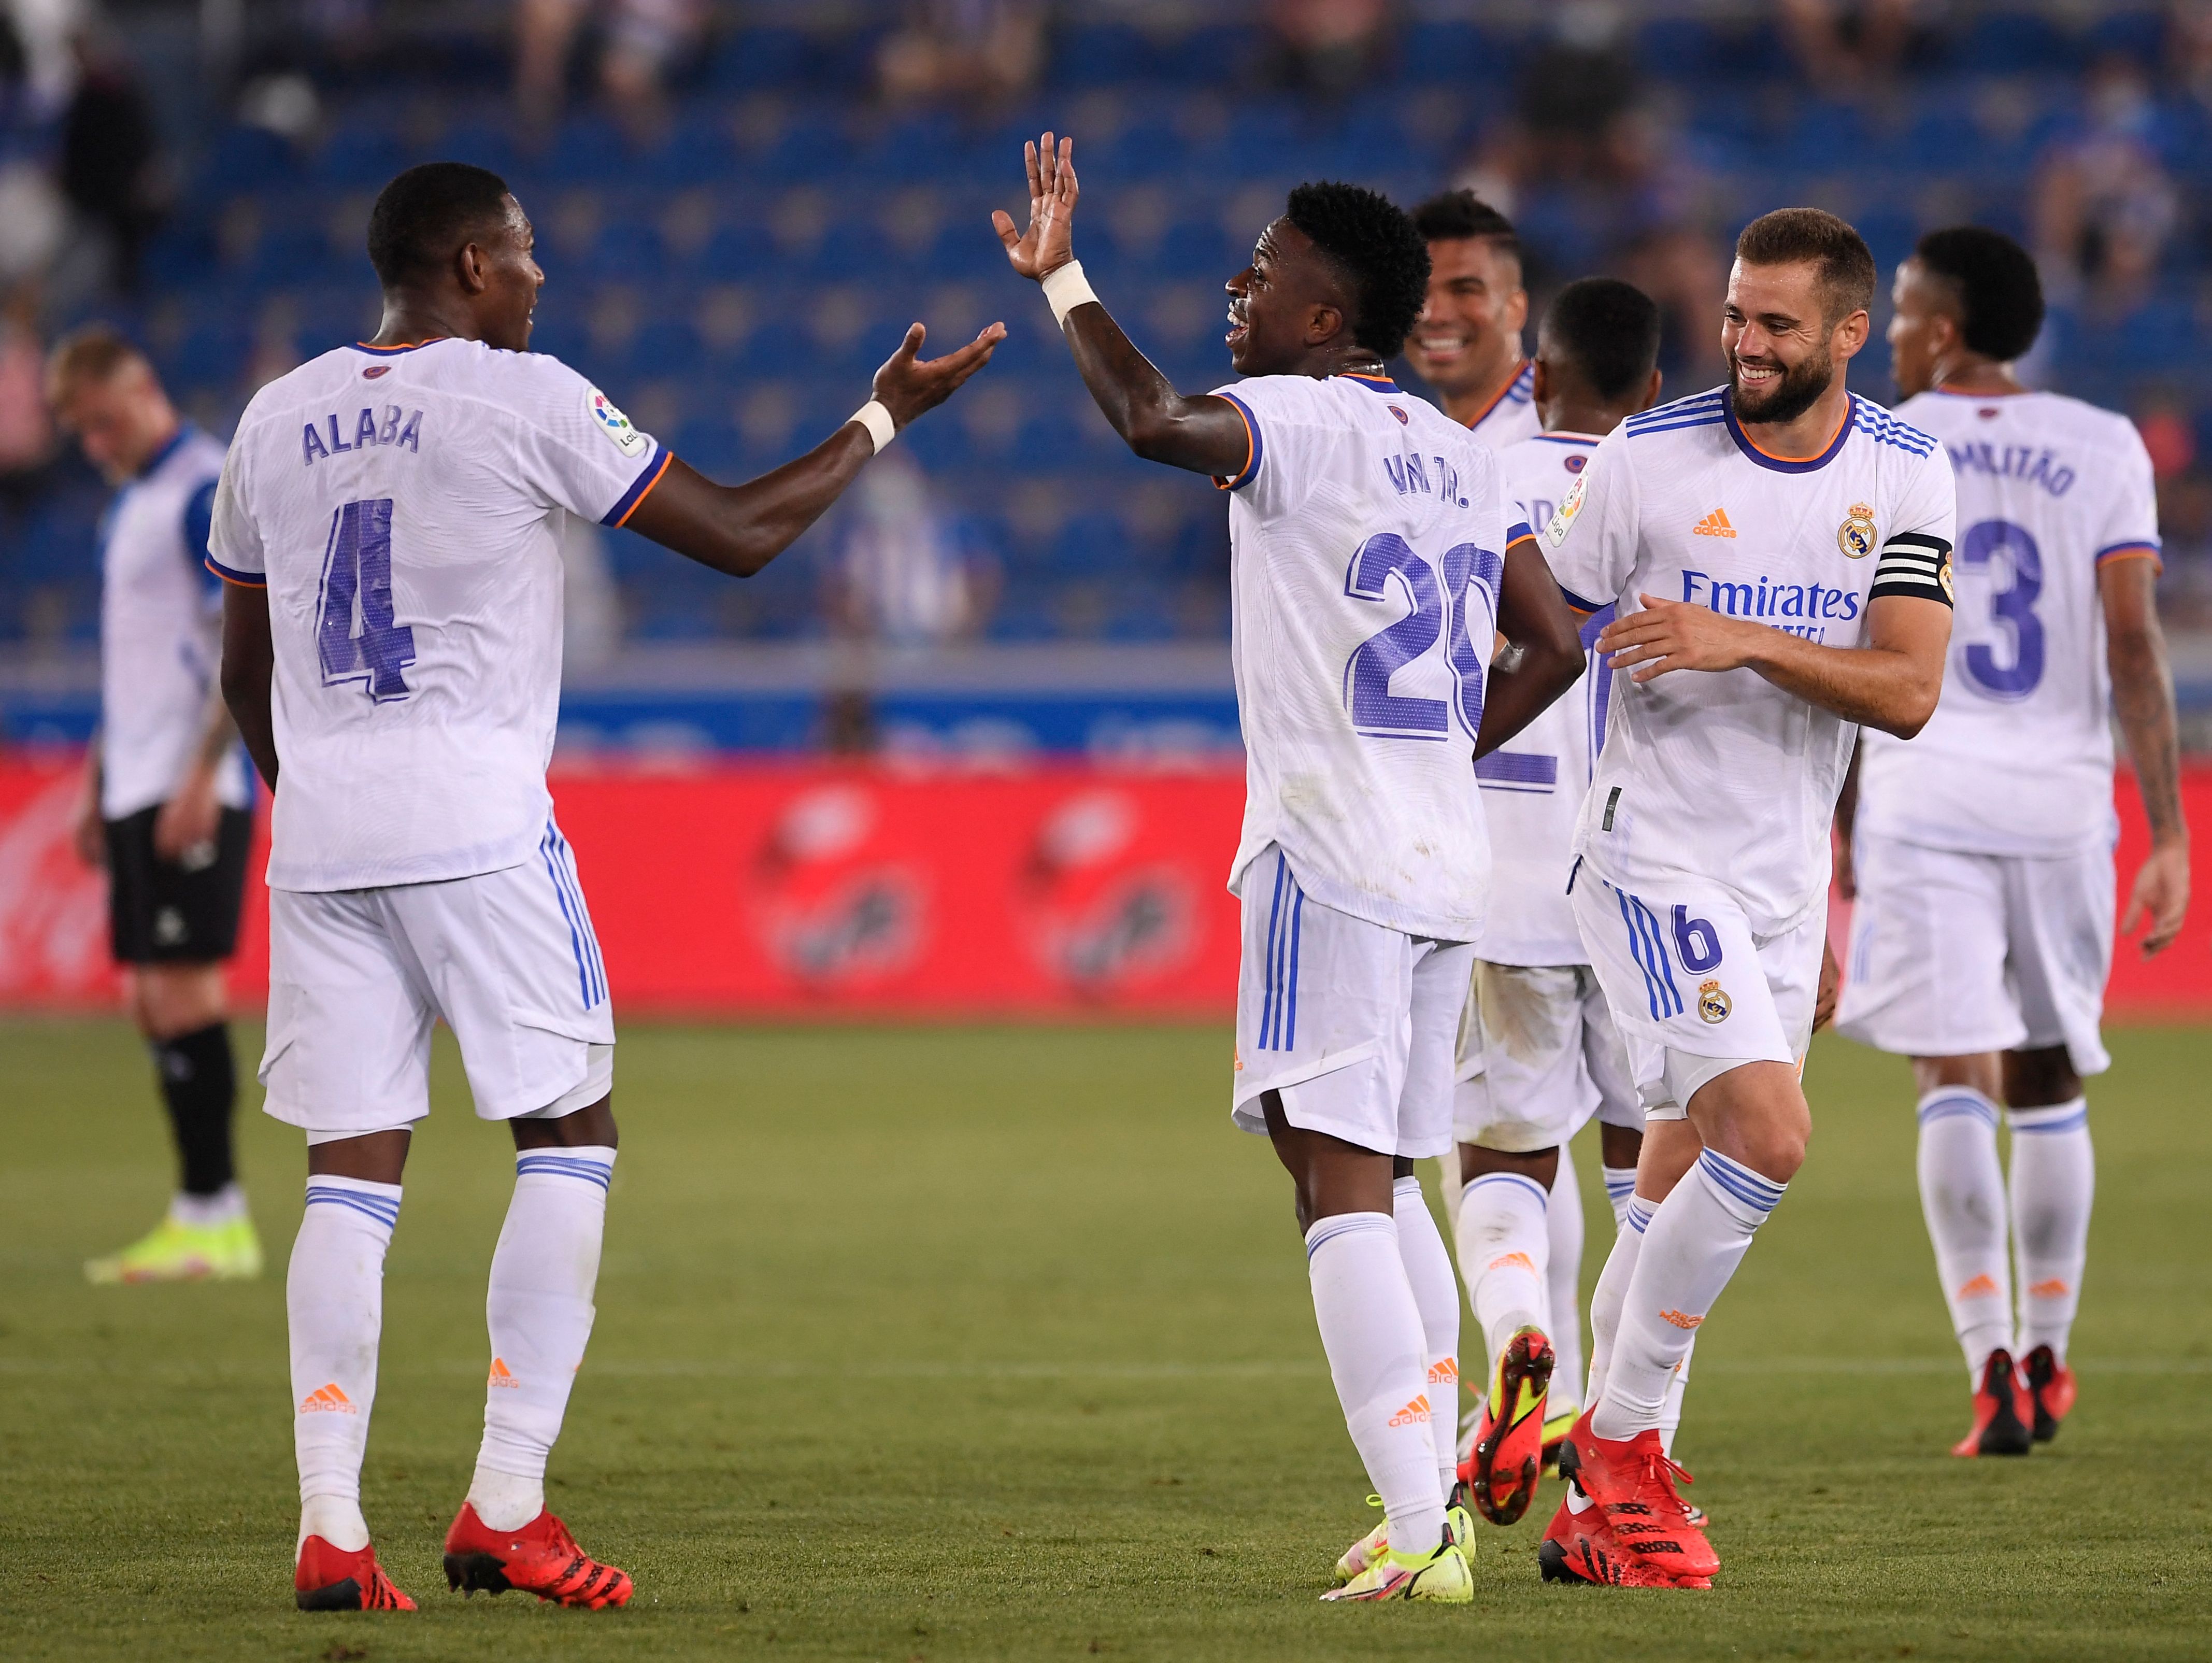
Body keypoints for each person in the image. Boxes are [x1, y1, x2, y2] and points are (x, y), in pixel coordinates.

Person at [210, 161, 1001, 1613]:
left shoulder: (273, 416)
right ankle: (505, 1501)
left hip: (320, 840)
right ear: (465, 266)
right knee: (569, 1131)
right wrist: (886, 413)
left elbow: (240, 671)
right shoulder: (524, 395)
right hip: (479, 824)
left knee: (349, 1169)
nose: (539, 279)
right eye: (520, 257)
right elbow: (746, 534)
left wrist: (316, 802)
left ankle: (330, 1524)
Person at [994, 134, 1586, 1602]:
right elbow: (1556, 640)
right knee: (1380, 1180)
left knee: (1333, 1189)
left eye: (1263, 272)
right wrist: (1446, 750)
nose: (1237, 287)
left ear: (1327, 318)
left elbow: (1147, 420)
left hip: (1327, 850)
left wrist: (1060, 272)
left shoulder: (1295, 417)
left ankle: (1414, 1528)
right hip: (1448, 864)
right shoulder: (1461, 451)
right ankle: (1427, 1487)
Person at [1537, 207, 1956, 1589]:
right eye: (1731, 316)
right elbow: (1549, 627)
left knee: (1668, 1178)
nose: (1743, 345)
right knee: (1767, 1140)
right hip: (1647, 850)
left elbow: (1900, 692)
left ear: (1847, 332)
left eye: (1775, 324)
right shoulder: (1644, 461)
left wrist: (1741, 647)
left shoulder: (1905, 474)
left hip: (1777, 878)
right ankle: (1617, 1448)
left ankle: (1590, 1515)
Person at [1835, 226, 2188, 1456]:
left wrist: (1835, 824)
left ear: (1939, 327)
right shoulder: (2096, 444)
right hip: (2056, 802)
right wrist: (2166, 830)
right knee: (2043, 1077)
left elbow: (1855, 646)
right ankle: (2046, 1345)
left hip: (1920, 794)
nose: (1885, 341)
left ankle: (1984, 1363)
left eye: (1895, 320)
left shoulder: (1878, 444)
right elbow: (2131, 645)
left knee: (1947, 1074)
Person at [1446, 277, 1664, 1528]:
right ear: (1646, 389)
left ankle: (1521, 1331)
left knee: (1501, 1163)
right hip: (1642, 884)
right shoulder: (1671, 487)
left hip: (1503, 877)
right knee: (1650, 1170)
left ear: (1534, 371)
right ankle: (1610, 1430)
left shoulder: (1475, 475)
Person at [47, 326, 260, 1286]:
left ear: (140, 390)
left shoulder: (202, 493)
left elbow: (240, 643)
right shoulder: (129, 506)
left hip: (189, 782)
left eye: (98, 423)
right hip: (135, 777)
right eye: (79, 433)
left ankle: (215, 1214)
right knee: (147, 993)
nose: (93, 444)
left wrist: (197, 774)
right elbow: (131, 663)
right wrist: (100, 781)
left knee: (183, 985)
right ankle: (199, 1207)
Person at [1403, 191, 1539, 451]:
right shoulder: (1417, 442)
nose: (1434, 315)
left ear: (1516, 309)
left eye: (1464, 290)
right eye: (1417, 292)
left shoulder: (1560, 429)